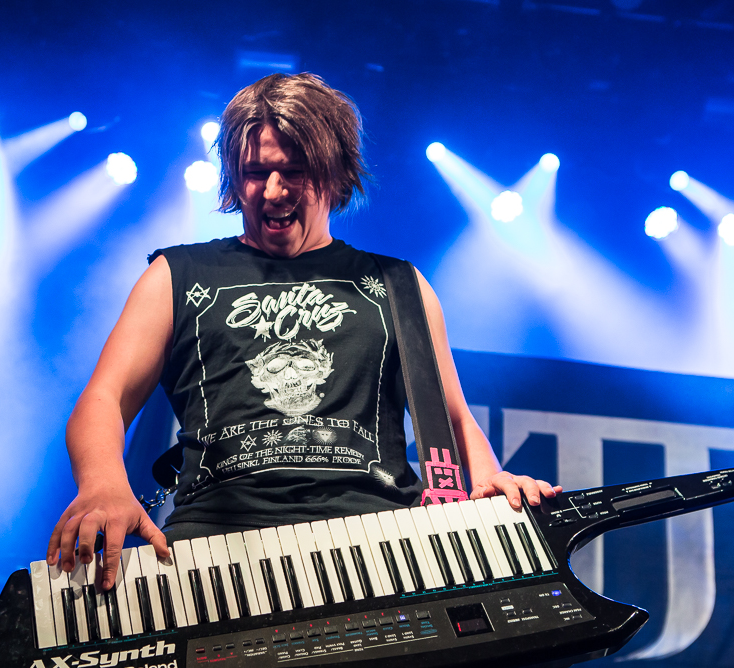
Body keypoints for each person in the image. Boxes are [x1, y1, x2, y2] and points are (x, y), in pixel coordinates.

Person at [47, 73, 561, 590]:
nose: (273, 192)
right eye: (255, 173)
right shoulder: (175, 275)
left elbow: (451, 416)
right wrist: (103, 484)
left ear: (335, 174)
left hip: (381, 550)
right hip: (216, 553)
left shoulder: (400, 286)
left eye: (293, 172)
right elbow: (104, 398)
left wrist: (488, 477)